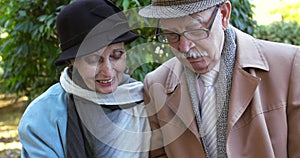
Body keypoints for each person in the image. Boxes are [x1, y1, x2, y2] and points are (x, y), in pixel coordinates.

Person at [139, 0, 300, 157]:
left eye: (195, 30)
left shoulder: (289, 65)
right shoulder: (155, 84)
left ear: (224, 14)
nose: (184, 47)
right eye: (171, 35)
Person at [18, 0, 150, 157]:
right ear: (71, 62)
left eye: (116, 55)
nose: (108, 71)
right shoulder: (41, 117)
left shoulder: (145, 100)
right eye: (94, 59)